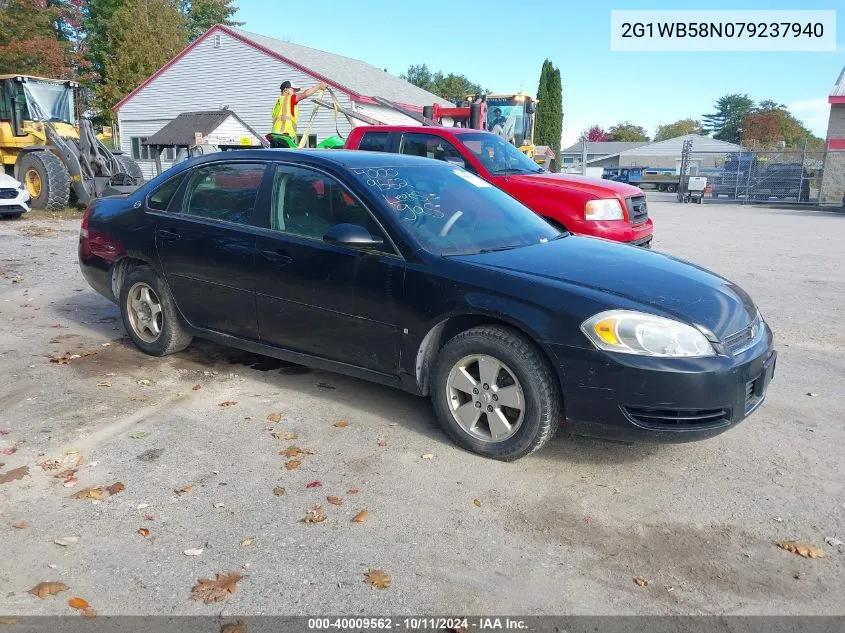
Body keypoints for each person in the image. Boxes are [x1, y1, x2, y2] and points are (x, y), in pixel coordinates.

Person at [269, 80, 328, 147]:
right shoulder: (288, 99)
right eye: (293, 90)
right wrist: (318, 86)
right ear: (285, 90)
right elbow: (304, 94)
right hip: (284, 138)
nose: (295, 93)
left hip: (274, 137)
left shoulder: (277, 103)